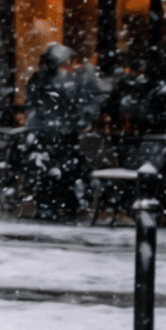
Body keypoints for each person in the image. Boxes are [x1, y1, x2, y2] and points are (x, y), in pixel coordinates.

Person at [22, 43, 101, 220]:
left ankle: (49, 205)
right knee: (63, 171)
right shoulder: (62, 81)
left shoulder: (45, 79)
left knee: (50, 170)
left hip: (50, 131)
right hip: (58, 131)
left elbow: (34, 102)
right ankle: (63, 205)